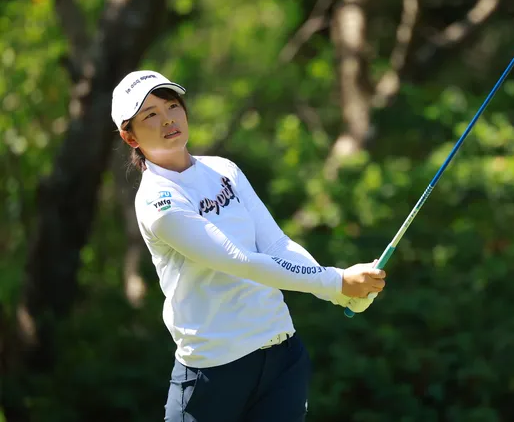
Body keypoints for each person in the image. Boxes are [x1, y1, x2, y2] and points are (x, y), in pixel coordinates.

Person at [111, 70, 387, 422]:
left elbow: (275, 244)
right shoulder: (158, 202)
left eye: (172, 106)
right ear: (129, 136)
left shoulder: (223, 169)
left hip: (281, 357)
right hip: (213, 373)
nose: (167, 119)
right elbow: (239, 261)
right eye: (150, 114)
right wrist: (336, 282)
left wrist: (340, 293)